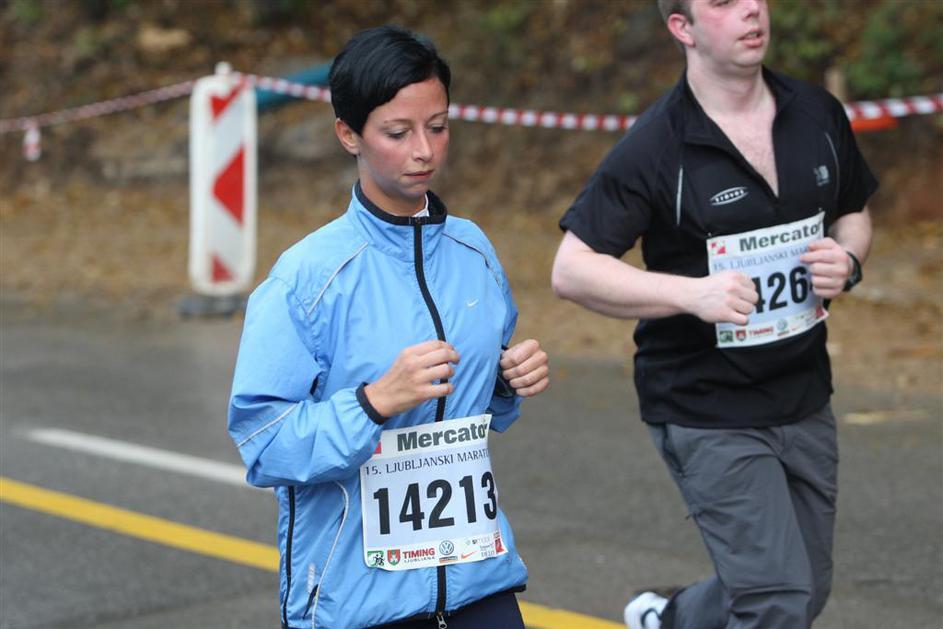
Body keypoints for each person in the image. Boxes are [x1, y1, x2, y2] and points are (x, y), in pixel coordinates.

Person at [551, 1, 876, 628]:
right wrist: (691, 295)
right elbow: (572, 269)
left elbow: (853, 212)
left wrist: (849, 259)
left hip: (804, 392)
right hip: (706, 405)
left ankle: (672, 618)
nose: (751, 9)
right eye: (723, 1)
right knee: (774, 598)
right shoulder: (657, 144)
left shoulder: (816, 113)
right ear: (683, 28)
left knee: (802, 588)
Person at [228, 25, 549, 629]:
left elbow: (475, 409)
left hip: (478, 578)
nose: (424, 150)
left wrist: (506, 380)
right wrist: (373, 402)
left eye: (438, 126)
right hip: (357, 600)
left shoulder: (475, 252)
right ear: (348, 134)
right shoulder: (307, 277)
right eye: (398, 134)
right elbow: (264, 444)